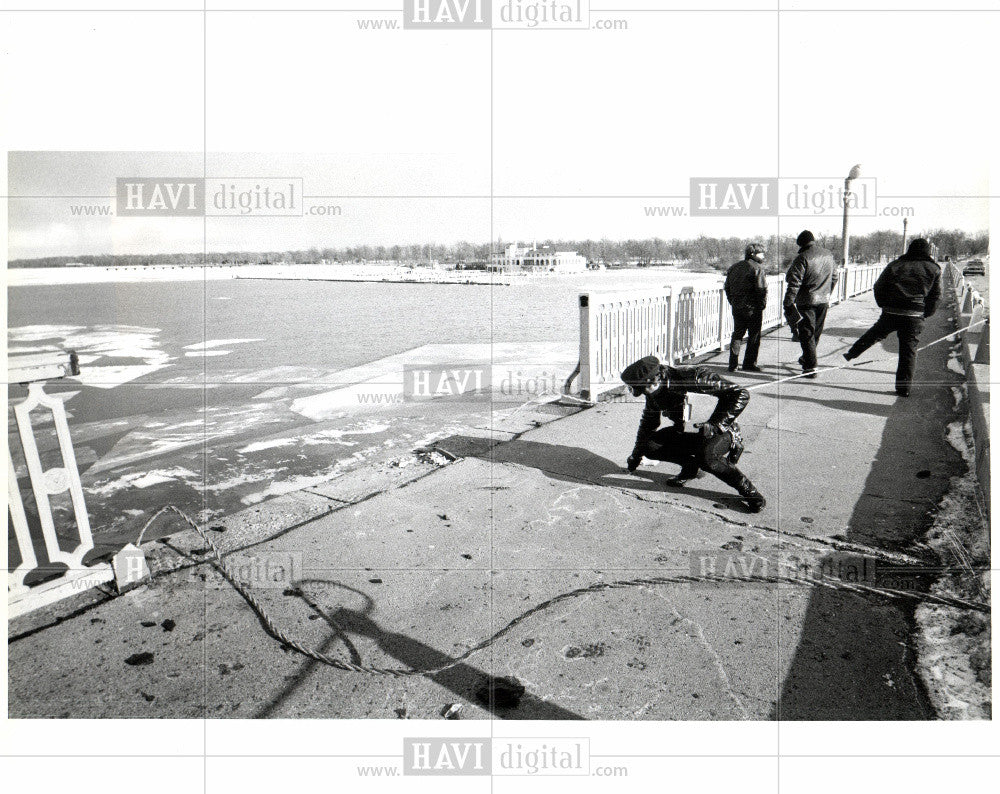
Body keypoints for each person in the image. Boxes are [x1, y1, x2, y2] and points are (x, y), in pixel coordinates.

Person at [620, 355, 766, 512]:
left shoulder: (695, 376)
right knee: (649, 445)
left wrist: (716, 424)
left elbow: (740, 394)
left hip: (721, 430)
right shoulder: (653, 393)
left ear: (656, 379)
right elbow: (648, 424)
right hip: (691, 430)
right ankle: (690, 468)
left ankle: (749, 490)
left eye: (644, 389)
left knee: (706, 457)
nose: (645, 394)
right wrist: (636, 454)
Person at [843, 238, 941, 397]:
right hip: (915, 315)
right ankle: (904, 389)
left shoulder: (895, 265)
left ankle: (852, 353)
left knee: (875, 334)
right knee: (908, 352)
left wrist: (884, 304)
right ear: (927, 252)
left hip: (891, 311)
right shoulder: (933, 269)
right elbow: (936, 296)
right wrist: (926, 312)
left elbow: (878, 286)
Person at [784, 230, 838, 378]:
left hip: (806, 301)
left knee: (807, 333)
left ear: (801, 244)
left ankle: (810, 367)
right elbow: (835, 277)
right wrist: (827, 293)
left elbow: (794, 282)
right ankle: (807, 358)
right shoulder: (828, 254)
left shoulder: (802, 258)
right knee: (815, 332)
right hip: (823, 300)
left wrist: (788, 302)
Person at [724, 243, 768, 372]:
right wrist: (762, 304)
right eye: (761, 253)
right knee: (754, 335)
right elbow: (761, 290)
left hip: (737, 306)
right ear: (753, 254)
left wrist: (732, 301)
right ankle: (749, 363)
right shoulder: (758, 268)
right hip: (753, 308)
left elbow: (727, 287)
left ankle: (733, 364)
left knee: (737, 334)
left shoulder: (734, 267)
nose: (763, 255)